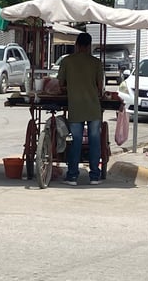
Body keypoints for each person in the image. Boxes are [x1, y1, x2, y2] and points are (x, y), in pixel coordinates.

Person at [57, 32, 104, 186]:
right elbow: (100, 88)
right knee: (94, 141)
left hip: (75, 107)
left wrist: (71, 87)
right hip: (93, 108)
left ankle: (72, 176)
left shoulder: (67, 61)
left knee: (76, 141)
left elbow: (60, 84)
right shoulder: (96, 63)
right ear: (89, 46)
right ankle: (94, 176)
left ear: (76, 45)